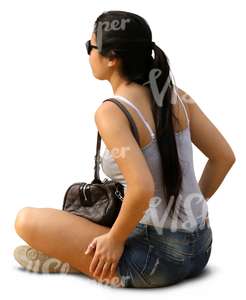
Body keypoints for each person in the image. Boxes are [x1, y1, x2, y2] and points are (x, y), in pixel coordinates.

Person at [13, 10, 236, 288]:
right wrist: (187, 207)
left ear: (111, 57)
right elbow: (224, 157)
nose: (88, 54)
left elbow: (142, 188)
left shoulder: (112, 112)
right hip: (201, 249)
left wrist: (115, 240)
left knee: (26, 220)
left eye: (90, 47)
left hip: (155, 263)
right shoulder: (177, 96)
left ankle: (75, 262)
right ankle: (76, 257)